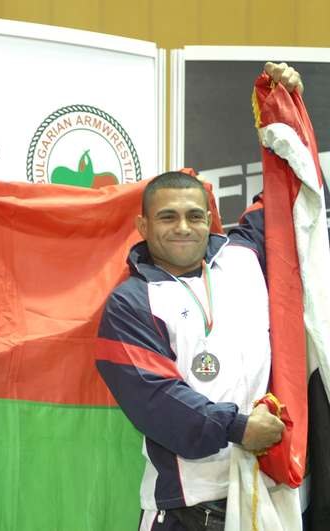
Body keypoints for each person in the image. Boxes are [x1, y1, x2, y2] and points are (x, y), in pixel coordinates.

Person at [95, 63, 305, 530]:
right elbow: (157, 398)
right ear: (143, 227)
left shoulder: (246, 255)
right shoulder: (130, 303)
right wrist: (238, 427)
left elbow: (288, 193)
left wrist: (286, 108)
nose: (184, 227)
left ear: (210, 216)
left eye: (194, 215)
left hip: (266, 499)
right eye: (167, 217)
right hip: (188, 512)